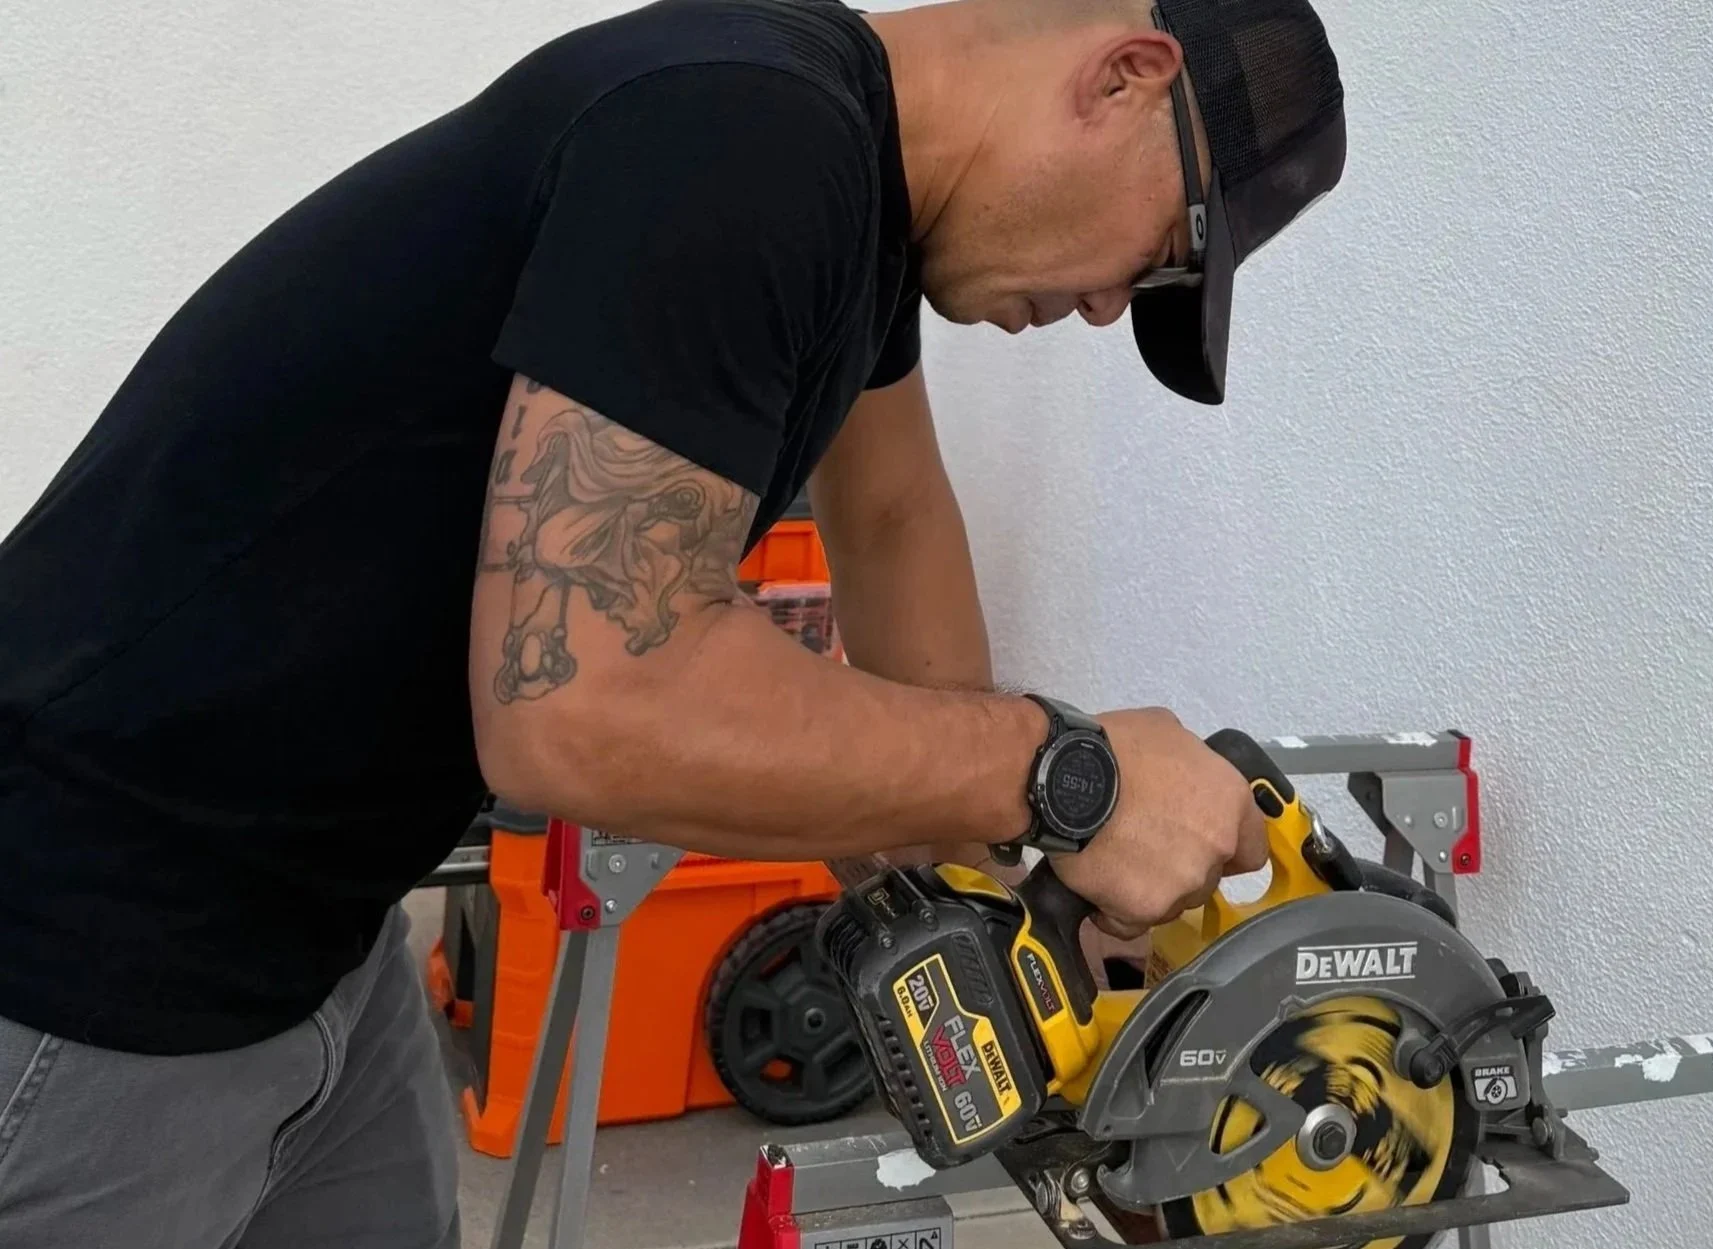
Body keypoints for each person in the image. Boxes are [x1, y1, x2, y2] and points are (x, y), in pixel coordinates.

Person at [0, 0, 1347, 1243]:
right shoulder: (744, 139)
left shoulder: (858, 188)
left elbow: (892, 517)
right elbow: (581, 710)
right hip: (93, 924)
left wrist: (1025, 891)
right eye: (1164, 257)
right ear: (1124, 79)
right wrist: (1072, 778)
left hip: (319, 923)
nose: (1110, 307)